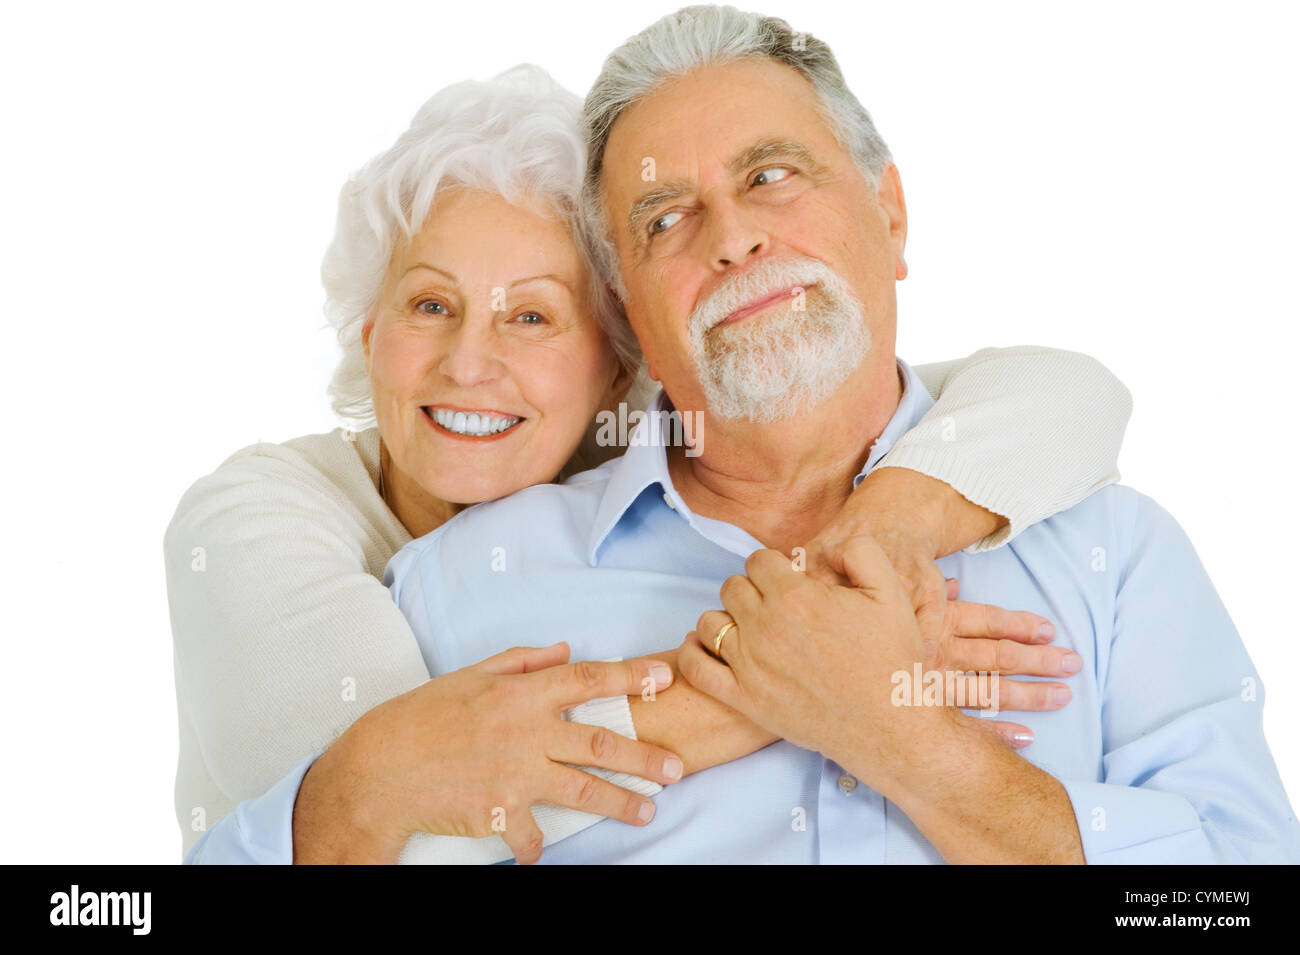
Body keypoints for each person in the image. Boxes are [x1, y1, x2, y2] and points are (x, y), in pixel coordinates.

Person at [169, 58, 1134, 865]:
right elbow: (416, 816)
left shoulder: (641, 464)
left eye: (532, 315)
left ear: (619, 362)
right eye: (429, 306)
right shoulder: (259, 516)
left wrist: (849, 567)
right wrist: (829, 670)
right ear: (368, 332)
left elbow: (1067, 395)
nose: (470, 362)